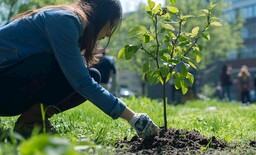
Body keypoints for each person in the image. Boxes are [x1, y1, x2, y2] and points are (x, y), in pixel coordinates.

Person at [0, 0, 158, 138]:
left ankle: (31, 123)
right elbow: (82, 82)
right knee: (65, 70)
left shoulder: (68, 21)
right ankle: (31, 124)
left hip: (9, 85)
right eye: (111, 25)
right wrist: (133, 118)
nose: (109, 34)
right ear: (100, 16)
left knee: (91, 74)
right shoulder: (65, 21)